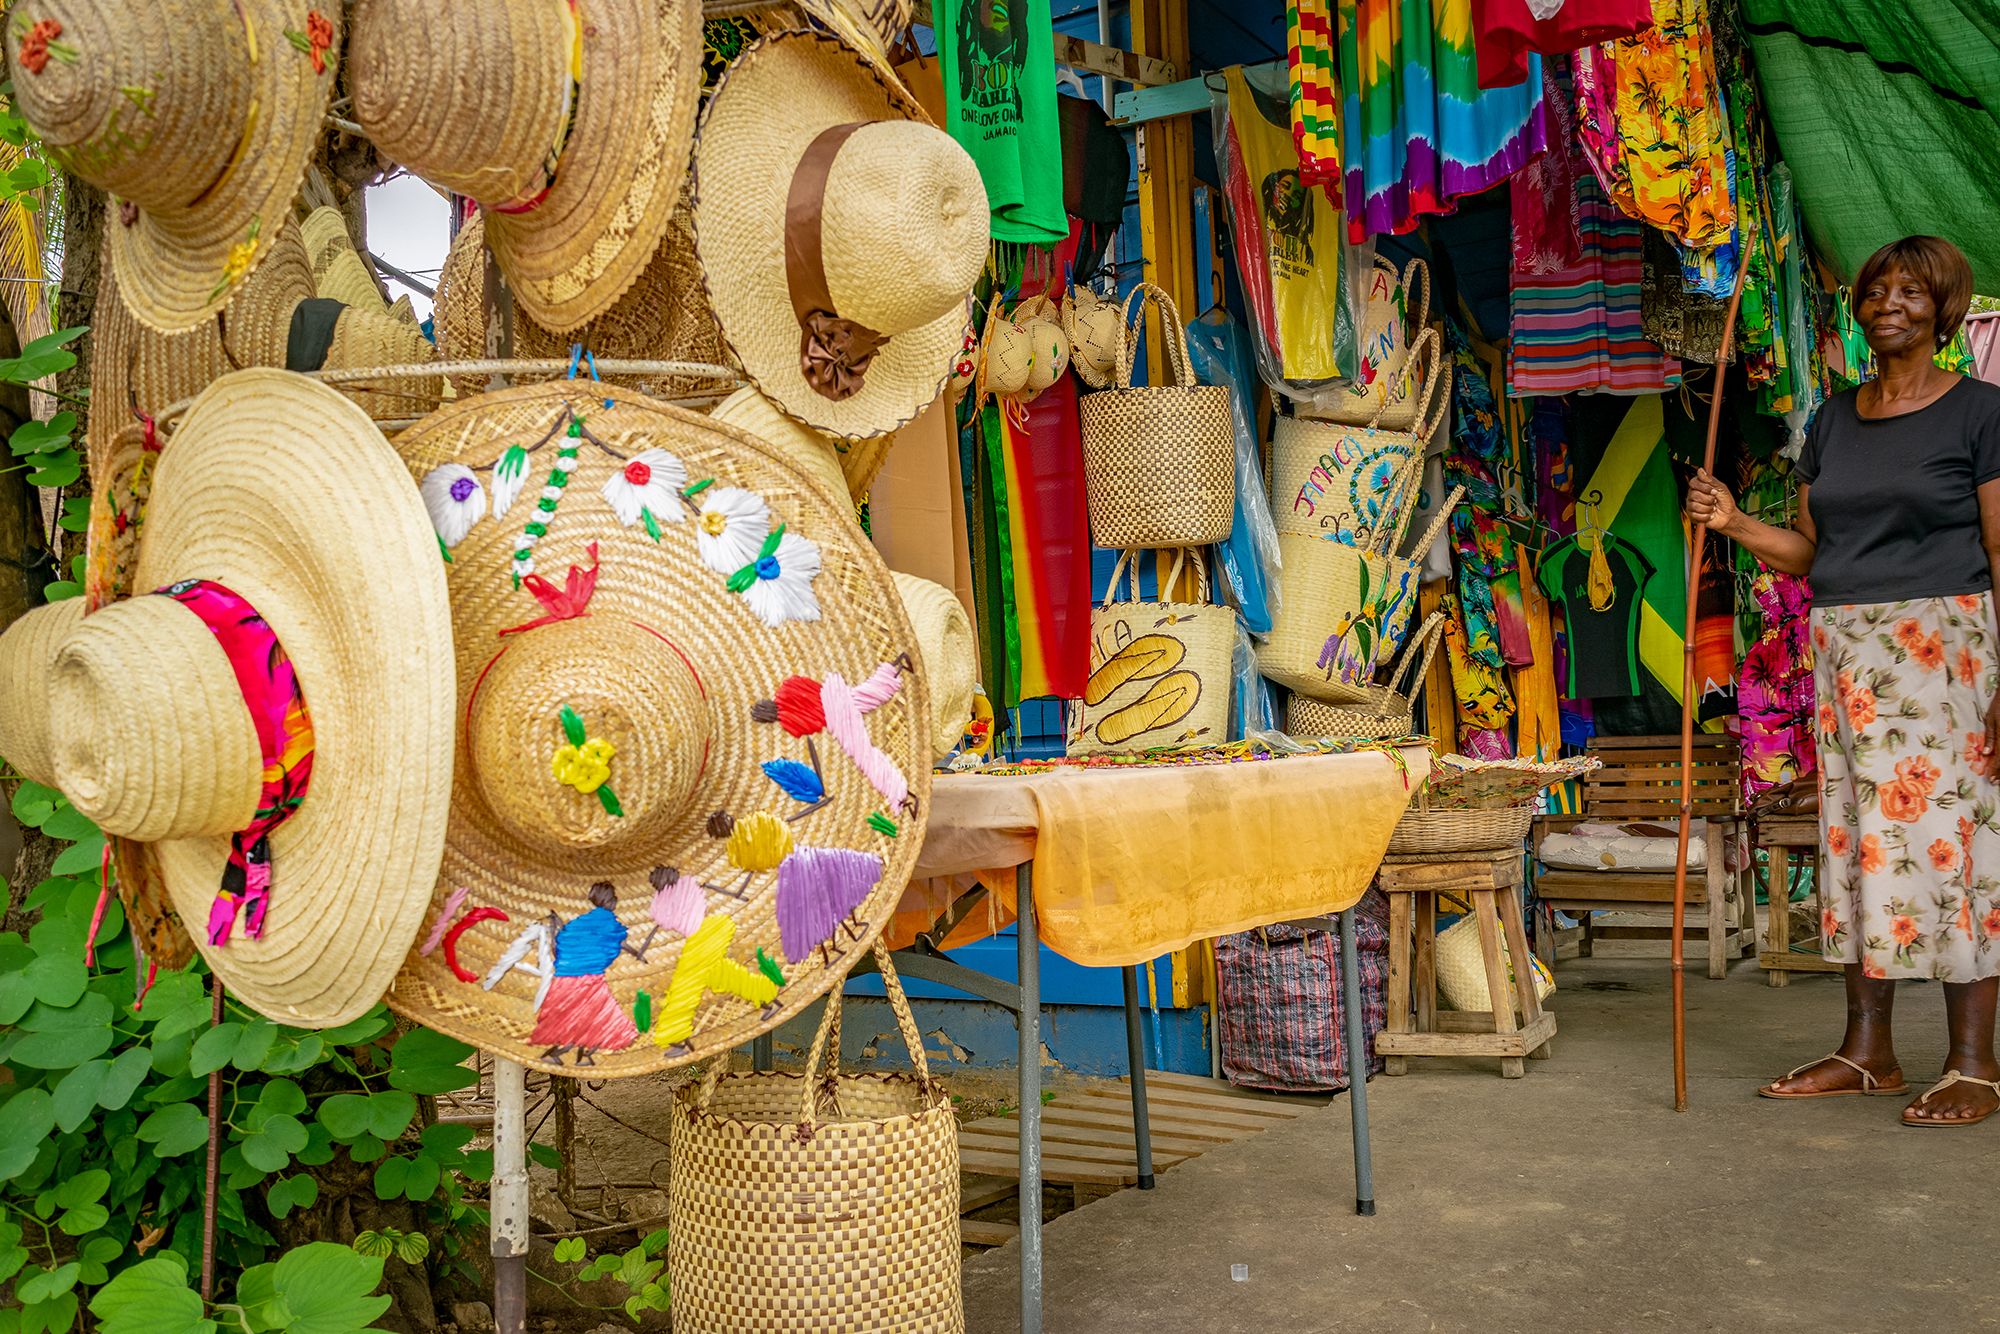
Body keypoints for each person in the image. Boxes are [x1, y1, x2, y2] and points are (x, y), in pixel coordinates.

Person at [1689, 235, 2000, 1127]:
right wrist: (1736, 521)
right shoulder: (1831, 420)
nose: (1889, 302)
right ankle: (1868, 1052)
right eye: (1875, 290)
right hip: (1849, 656)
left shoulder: (1982, 413)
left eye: (1912, 290)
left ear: (1944, 310)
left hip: (1948, 655)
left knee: (1953, 852)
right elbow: (1813, 554)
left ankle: (1974, 1064)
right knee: (1863, 845)